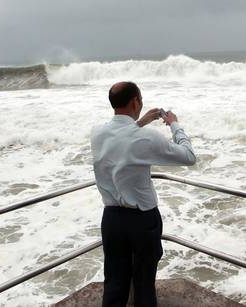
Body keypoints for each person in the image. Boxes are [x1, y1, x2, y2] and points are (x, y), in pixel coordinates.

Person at [91, 81, 196, 307]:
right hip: (142, 220)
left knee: (115, 283)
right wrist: (174, 124)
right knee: (144, 283)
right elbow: (188, 156)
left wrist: (141, 122)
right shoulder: (147, 138)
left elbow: (121, 138)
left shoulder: (97, 133)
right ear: (136, 101)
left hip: (111, 220)